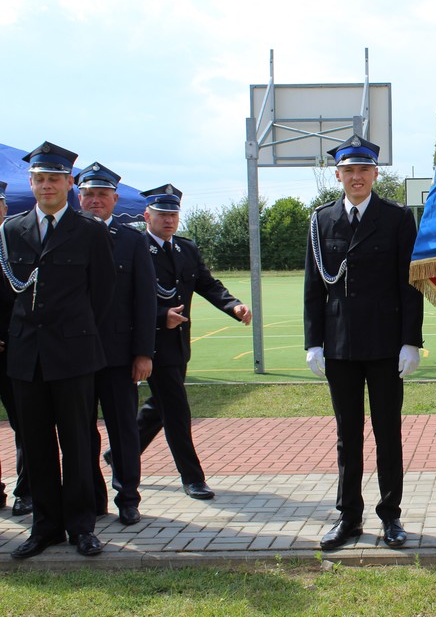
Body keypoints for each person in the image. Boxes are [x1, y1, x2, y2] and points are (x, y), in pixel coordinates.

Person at [304, 134, 424, 550]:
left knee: (388, 433)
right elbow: (313, 287)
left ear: (375, 173)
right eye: (349, 170)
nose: (357, 177)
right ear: (337, 175)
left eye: (364, 169)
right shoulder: (321, 220)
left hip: (386, 345)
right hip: (339, 346)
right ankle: (348, 517)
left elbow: (411, 285)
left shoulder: (395, 218)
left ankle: (391, 516)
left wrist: (411, 341)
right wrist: (313, 342)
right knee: (347, 435)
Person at [1, 141, 116, 558]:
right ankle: (44, 526)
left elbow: (102, 295)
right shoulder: (12, 229)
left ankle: (81, 526)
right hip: (26, 356)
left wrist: (76, 336)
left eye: (54, 178)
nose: (46, 185)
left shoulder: (88, 231)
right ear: (31, 183)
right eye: (39, 179)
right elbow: (9, 293)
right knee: (36, 443)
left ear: (69, 183)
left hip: (73, 354)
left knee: (76, 441)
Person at [133, 184, 251, 500]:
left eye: (173, 214)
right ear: (147, 215)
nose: (169, 220)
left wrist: (233, 305)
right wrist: (161, 316)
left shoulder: (186, 250)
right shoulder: (135, 247)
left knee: (160, 406)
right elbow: (124, 298)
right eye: (162, 214)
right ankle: (193, 478)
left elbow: (207, 284)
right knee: (177, 410)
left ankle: (121, 455)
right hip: (145, 342)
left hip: (176, 344)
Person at [77, 163, 155, 526]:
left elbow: (144, 300)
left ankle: (127, 496)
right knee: (80, 430)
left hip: (119, 355)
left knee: (123, 428)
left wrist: (143, 352)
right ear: (78, 198)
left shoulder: (132, 240)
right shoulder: (66, 235)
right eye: (88, 195)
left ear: (114, 199)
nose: (95, 201)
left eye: (102, 195)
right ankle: (92, 498)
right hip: (73, 355)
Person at [1, 180, 34, 517]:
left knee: (26, 426)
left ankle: (26, 491)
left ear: (4, 209)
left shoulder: (16, 245)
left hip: (15, 350)